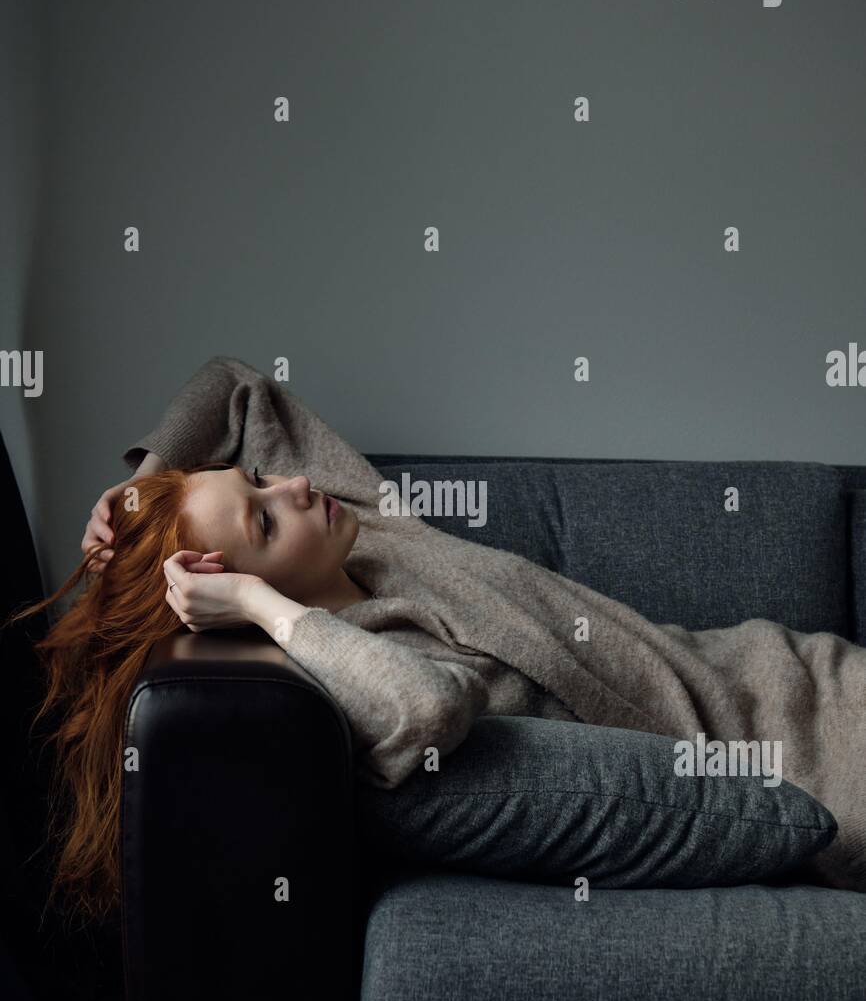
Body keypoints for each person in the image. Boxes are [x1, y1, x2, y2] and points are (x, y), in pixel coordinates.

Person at [7, 355, 866, 923]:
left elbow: (236, 387)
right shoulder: (359, 658)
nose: (301, 484)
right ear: (246, 581)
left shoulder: (376, 526)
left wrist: (143, 485)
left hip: (795, 668)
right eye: (266, 516)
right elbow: (426, 710)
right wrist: (265, 609)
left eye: (264, 479)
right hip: (801, 763)